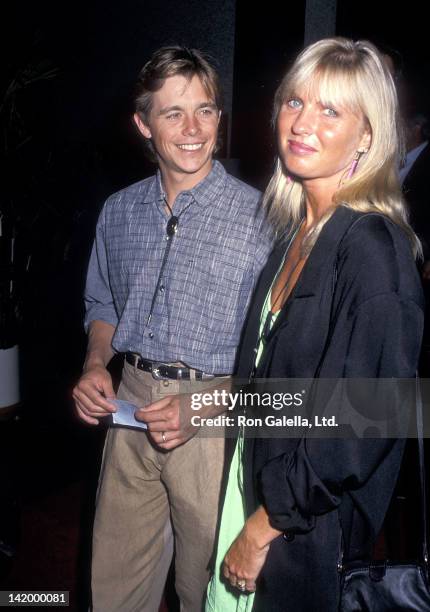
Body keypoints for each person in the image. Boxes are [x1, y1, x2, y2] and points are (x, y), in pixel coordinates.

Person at [206, 37, 424, 612]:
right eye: (294, 102)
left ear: (368, 136)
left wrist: (261, 527)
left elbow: (365, 423)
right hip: (252, 486)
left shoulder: (373, 247)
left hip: (299, 532)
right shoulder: (295, 234)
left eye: (331, 110)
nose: (303, 122)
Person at [72, 46, 272, 612]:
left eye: (206, 110)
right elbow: (104, 301)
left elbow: (276, 356)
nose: (192, 129)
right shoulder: (119, 211)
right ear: (142, 123)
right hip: (129, 408)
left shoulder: (262, 221)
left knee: (205, 589)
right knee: (113, 586)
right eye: (173, 113)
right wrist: (94, 363)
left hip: (214, 416)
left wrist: (206, 405)